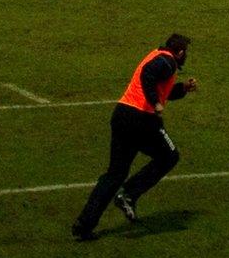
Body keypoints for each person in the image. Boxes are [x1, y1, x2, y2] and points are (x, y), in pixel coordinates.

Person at [71, 34, 199, 241]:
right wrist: (155, 103)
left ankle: (84, 224)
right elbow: (148, 77)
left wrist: (182, 89)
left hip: (122, 115)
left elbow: (159, 88)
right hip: (141, 120)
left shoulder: (157, 56)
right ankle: (129, 194)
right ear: (180, 52)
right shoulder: (167, 61)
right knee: (169, 156)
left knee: (115, 174)